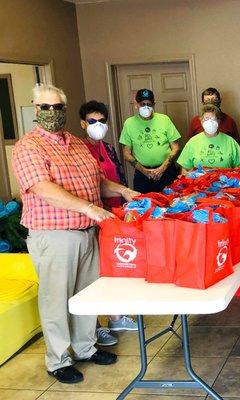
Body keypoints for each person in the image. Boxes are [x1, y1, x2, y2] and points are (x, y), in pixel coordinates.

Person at [12, 84, 140, 384]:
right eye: (45, 107)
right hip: (54, 234)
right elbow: (44, 189)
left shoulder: (78, 144)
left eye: (57, 107)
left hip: (87, 232)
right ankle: (58, 359)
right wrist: (88, 208)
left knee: (87, 294)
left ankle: (85, 347)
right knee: (56, 298)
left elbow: (98, 181)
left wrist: (123, 190)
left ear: (65, 110)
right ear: (35, 109)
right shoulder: (28, 147)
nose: (52, 113)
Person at [79, 100, 138, 347]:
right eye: (93, 121)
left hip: (114, 213)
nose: (98, 125)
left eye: (102, 121)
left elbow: (117, 176)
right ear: (83, 124)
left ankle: (116, 316)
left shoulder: (108, 148)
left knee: (115, 266)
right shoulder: (80, 151)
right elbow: (96, 182)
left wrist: (126, 199)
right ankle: (96, 327)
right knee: (94, 273)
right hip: (93, 214)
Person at [120, 88, 181, 193]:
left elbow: (175, 147)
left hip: (166, 171)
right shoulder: (129, 123)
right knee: (143, 206)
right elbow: (126, 153)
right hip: (142, 174)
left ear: (154, 104)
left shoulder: (164, 120)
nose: (146, 107)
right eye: (142, 104)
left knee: (172, 204)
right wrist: (144, 171)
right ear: (136, 104)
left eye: (149, 104)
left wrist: (162, 168)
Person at [177, 104, 240, 171]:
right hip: (199, 180)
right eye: (207, 119)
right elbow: (184, 168)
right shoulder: (193, 142)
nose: (210, 122)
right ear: (201, 121)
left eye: (213, 119)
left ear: (219, 121)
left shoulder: (230, 141)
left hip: (225, 181)